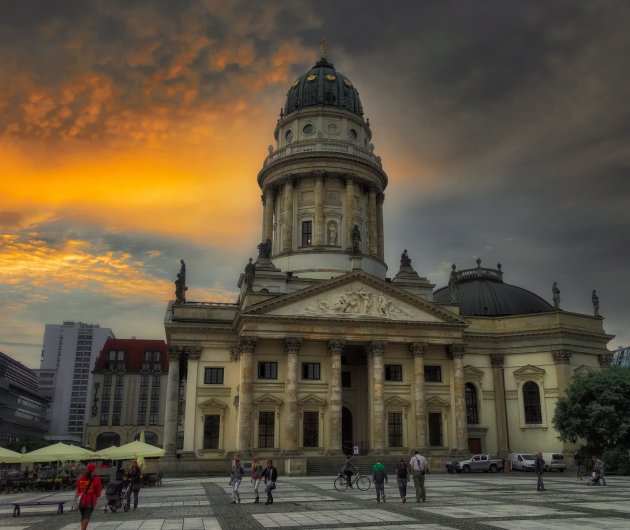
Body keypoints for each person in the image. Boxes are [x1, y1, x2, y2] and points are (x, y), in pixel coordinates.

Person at [76, 462, 102, 530]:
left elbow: (78, 490)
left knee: (83, 517)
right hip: (90, 500)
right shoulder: (96, 479)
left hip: (81, 500)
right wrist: (96, 495)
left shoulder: (81, 478)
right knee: (86, 517)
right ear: (93, 470)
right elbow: (98, 492)